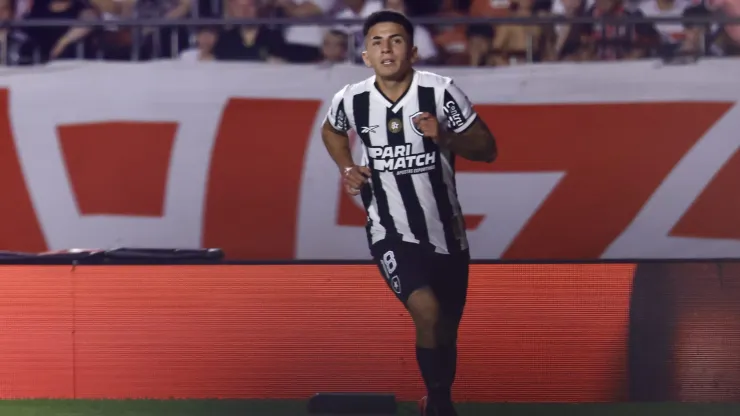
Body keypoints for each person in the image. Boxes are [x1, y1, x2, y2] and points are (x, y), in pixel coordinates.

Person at [320, 10, 497, 416]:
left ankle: (438, 396)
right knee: (427, 311)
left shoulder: (441, 92)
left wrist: (446, 136)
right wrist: (347, 166)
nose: (386, 48)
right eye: (377, 41)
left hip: (447, 232)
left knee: (446, 328)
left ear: (413, 51)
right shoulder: (352, 98)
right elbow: (331, 129)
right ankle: (437, 404)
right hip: (389, 229)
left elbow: (487, 149)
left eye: (396, 40)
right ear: (366, 55)